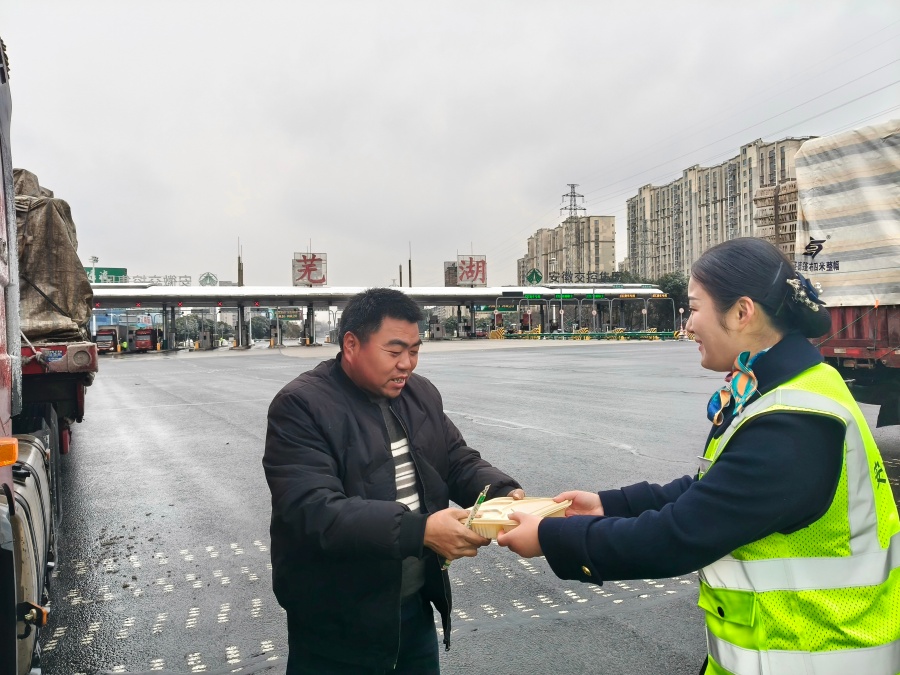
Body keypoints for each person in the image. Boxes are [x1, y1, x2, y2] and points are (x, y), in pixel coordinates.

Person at [498, 237, 900, 675]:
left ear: (742, 312)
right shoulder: (789, 387)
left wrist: (551, 538)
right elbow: (718, 488)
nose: (688, 325)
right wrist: (608, 504)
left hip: (815, 658)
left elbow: (681, 535)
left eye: (693, 308)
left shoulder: (793, 422)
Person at [263, 287, 524, 674]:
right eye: (395, 351)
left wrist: (503, 492)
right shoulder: (301, 406)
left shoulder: (420, 394)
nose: (407, 364)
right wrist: (421, 531)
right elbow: (313, 510)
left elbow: (454, 459)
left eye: (415, 350)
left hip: (413, 612)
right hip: (336, 624)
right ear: (352, 344)